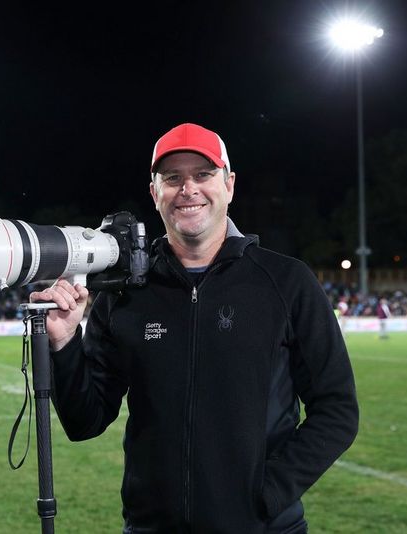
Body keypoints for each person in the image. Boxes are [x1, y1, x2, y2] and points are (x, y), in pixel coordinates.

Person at [30, 122, 359, 532]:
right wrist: (64, 345)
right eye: (173, 179)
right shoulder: (122, 291)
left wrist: (269, 493)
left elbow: (338, 409)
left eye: (203, 175)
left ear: (229, 184)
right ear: (155, 193)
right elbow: (85, 422)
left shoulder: (287, 282)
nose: (188, 189)